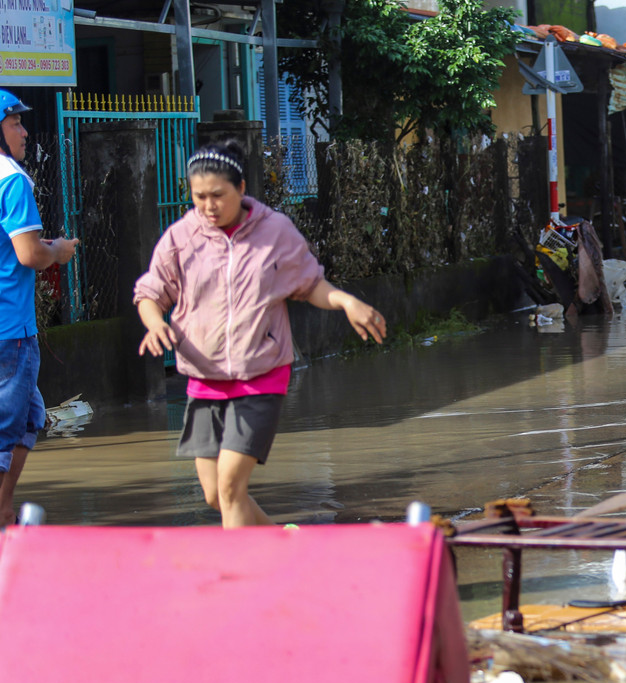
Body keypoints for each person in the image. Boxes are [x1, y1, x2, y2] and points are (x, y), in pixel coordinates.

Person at [133, 139, 386, 529]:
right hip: (204, 378)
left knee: (232, 487)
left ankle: (243, 581)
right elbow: (150, 292)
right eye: (199, 197)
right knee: (215, 495)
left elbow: (309, 284)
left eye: (218, 195)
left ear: (242, 189)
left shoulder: (275, 231)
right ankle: (283, 546)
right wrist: (155, 323)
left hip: (262, 376)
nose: (208, 206)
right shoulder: (181, 237)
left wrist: (347, 302)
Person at [0, 90, 79, 526]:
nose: (25, 132)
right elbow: (29, 254)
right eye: (14, 123)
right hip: (10, 329)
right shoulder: (10, 179)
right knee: (9, 428)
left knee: (31, 414)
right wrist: (59, 251)